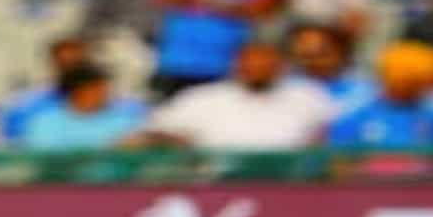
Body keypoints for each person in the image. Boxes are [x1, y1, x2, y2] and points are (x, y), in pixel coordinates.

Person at [134, 42, 335, 149]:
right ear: (237, 66)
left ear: (280, 67)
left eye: (265, 65)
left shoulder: (307, 96)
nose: (258, 70)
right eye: (251, 65)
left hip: (291, 185)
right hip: (218, 184)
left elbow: (327, 137)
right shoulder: (202, 98)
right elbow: (151, 133)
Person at [328, 41, 433, 148]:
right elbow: (338, 160)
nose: (410, 87)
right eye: (404, 80)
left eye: (418, 82)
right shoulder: (355, 114)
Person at [19, 63, 148, 150]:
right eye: (96, 89)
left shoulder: (125, 120)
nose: (104, 93)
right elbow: (45, 160)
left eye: (104, 88)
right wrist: (109, 148)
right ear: (75, 91)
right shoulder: (45, 123)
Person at [287, 23, 377, 116]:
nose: (314, 62)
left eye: (321, 53)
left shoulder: (365, 89)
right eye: (306, 55)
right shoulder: (288, 85)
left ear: (340, 51)